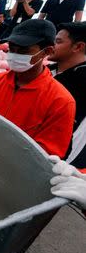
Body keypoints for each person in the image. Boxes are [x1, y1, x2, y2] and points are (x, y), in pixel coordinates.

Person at [0, 19, 76, 158]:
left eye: (23, 50)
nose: (14, 55)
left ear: (47, 51)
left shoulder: (61, 101)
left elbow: (46, 155)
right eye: (12, 49)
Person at [48, 22, 86, 168]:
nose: (51, 45)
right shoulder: (49, 70)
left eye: (58, 41)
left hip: (65, 160)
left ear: (78, 47)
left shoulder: (81, 81)